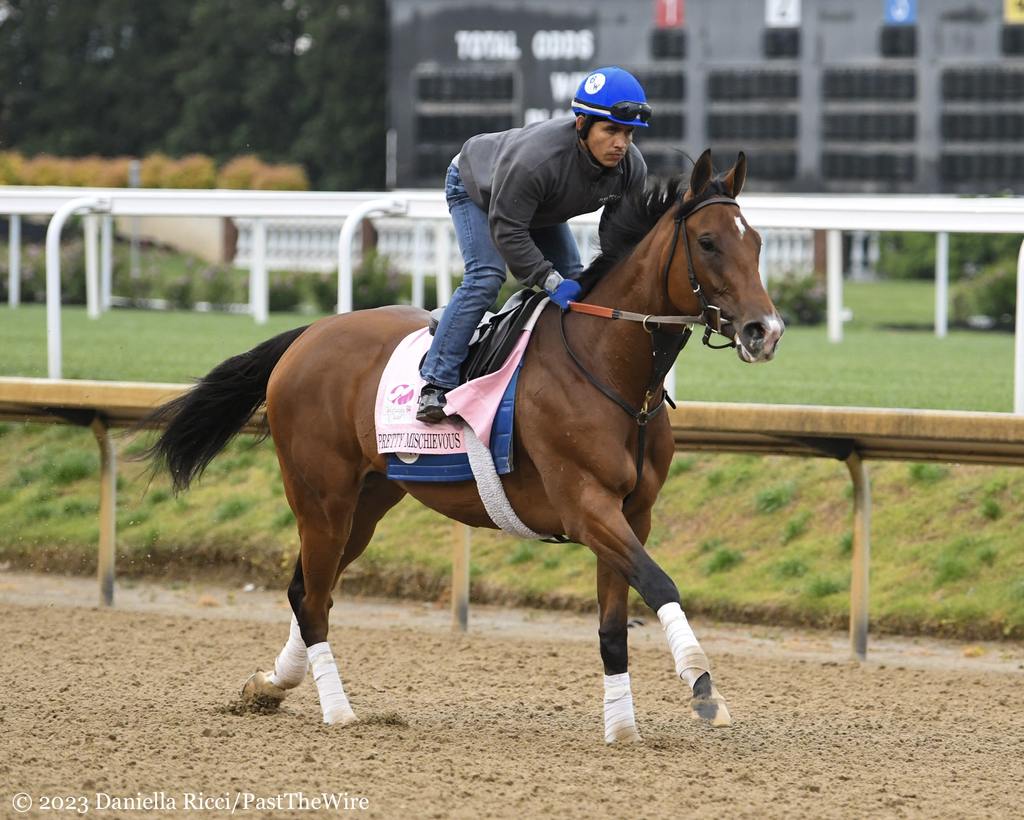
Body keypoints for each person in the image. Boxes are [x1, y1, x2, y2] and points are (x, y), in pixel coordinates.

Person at [416, 66, 652, 423]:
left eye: (629, 134)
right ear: (581, 125)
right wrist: (547, 278)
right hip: (478, 189)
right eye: (611, 130)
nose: (621, 143)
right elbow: (508, 229)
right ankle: (435, 381)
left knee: (579, 283)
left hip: (538, 205)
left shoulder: (632, 168)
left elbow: (616, 239)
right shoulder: (537, 161)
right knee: (486, 277)